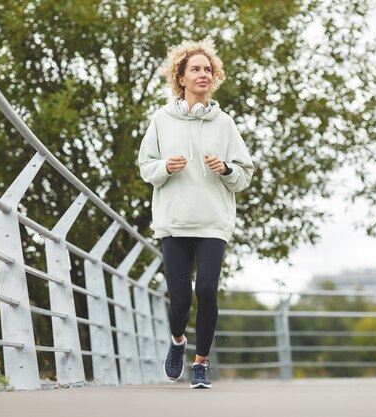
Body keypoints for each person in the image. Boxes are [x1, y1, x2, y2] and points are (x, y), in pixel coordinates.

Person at [137, 40, 254, 389]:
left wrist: (227, 169)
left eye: (208, 69)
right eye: (196, 69)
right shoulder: (161, 120)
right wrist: (164, 167)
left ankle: (201, 363)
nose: (203, 74)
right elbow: (146, 168)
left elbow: (244, 174)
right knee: (181, 298)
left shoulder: (225, 124)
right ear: (181, 78)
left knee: (207, 289)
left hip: (213, 222)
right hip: (173, 222)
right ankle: (177, 342)